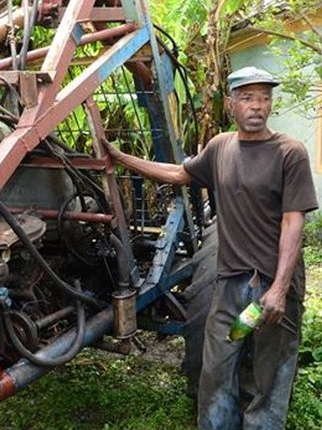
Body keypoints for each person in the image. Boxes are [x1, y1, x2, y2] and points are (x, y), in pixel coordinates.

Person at [102, 66, 318, 429]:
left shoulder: (289, 153)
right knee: (218, 366)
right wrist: (121, 158)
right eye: (248, 98)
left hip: (270, 292)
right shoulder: (220, 147)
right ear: (231, 103)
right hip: (232, 289)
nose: (257, 106)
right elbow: (178, 174)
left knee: (269, 375)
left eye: (264, 98)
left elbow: (293, 222)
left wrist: (280, 290)